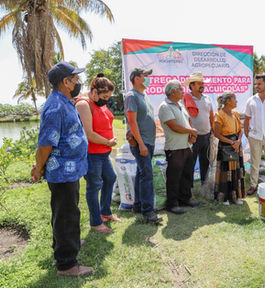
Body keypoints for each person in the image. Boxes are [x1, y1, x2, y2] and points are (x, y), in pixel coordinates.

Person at [30, 61, 93, 277]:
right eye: (75, 79)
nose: (78, 82)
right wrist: (38, 168)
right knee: (66, 215)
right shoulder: (55, 106)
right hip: (62, 172)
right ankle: (67, 265)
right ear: (65, 82)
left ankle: (68, 242)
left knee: (66, 212)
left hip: (70, 170)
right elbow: (45, 143)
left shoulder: (65, 101)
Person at [75, 73, 120, 233]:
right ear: (94, 91)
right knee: (94, 186)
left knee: (110, 178)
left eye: (108, 96)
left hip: (103, 152)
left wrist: (108, 141)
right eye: (104, 96)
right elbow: (89, 133)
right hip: (91, 153)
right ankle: (95, 222)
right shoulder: (83, 104)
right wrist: (108, 142)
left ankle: (105, 212)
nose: (106, 99)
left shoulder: (100, 102)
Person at [125, 68, 163, 224]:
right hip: (142, 142)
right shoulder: (131, 96)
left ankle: (139, 205)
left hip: (149, 141)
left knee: (142, 173)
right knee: (147, 175)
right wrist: (141, 143)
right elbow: (132, 122)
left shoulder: (144, 96)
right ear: (136, 78)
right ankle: (148, 212)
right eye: (145, 76)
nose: (148, 79)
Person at [158, 80, 200, 214]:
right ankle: (172, 204)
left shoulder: (180, 105)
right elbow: (174, 126)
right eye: (181, 90)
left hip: (186, 146)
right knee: (174, 177)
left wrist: (192, 133)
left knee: (187, 175)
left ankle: (185, 199)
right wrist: (191, 132)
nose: (183, 92)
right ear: (174, 91)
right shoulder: (165, 106)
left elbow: (188, 122)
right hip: (174, 148)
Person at [183, 72, 214, 193]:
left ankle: (204, 187)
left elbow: (212, 116)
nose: (202, 85)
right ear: (192, 85)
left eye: (202, 83)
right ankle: (189, 189)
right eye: (199, 83)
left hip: (206, 136)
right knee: (189, 164)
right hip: (192, 137)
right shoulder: (185, 98)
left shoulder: (207, 98)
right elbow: (184, 118)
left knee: (205, 163)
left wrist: (212, 132)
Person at [214, 91, 245, 205]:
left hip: (236, 145)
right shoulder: (219, 115)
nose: (236, 101)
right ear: (228, 101)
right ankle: (225, 198)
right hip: (226, 146)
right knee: (225, 172)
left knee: (236, 171)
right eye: (234, 99)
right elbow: (217, 134)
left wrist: (238, 141)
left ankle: (235, 197)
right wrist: (232, 142)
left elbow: (240, 130)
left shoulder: (235, 113)